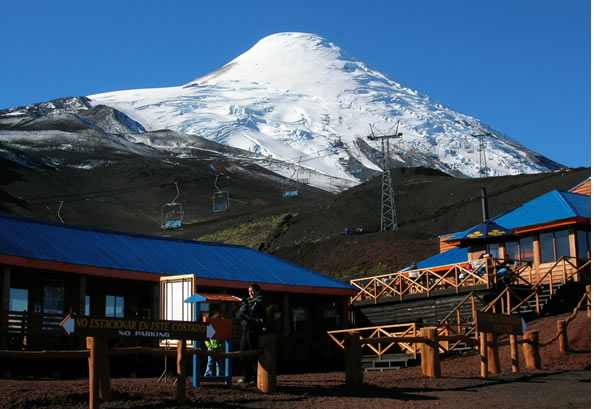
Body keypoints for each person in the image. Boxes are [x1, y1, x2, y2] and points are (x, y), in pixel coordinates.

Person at [236, 283, 267, 385]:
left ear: (258, 291)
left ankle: (256, 378)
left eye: (252, 291)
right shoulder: (248, 302)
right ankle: (246, 376)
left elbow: (261, 316)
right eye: (249, 291)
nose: (251, 293)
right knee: (242, 353)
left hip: (254, 331)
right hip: (246, 330)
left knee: (253, 355)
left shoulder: (260, 302)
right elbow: (239, 315)